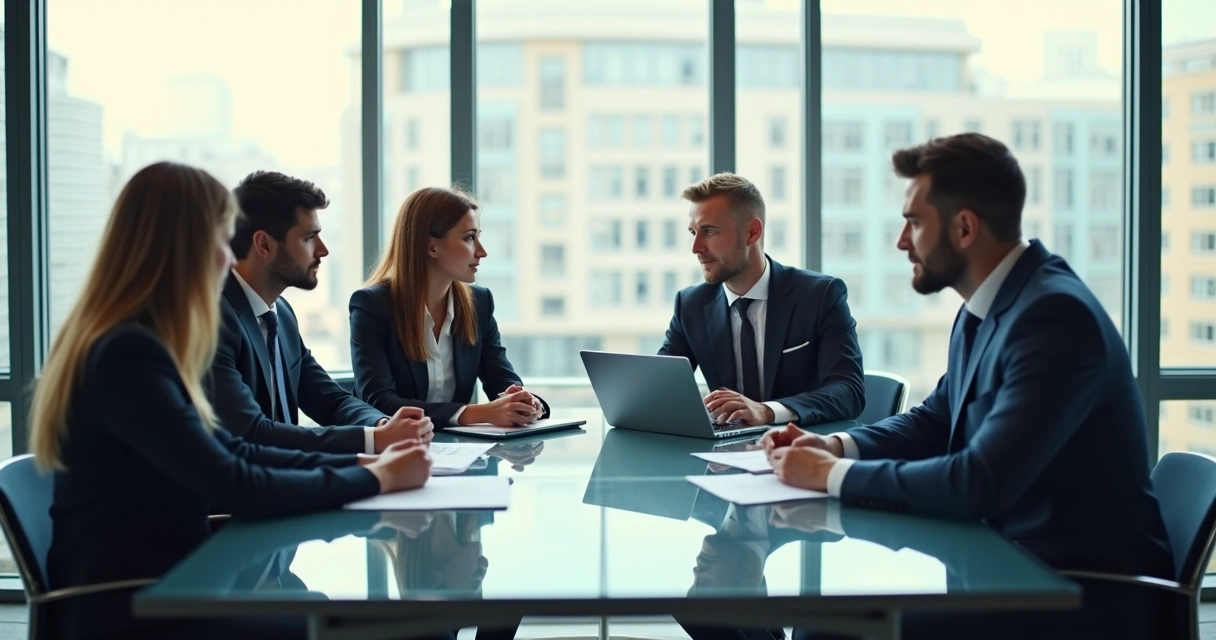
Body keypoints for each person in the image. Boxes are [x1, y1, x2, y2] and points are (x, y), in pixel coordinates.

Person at [761, 133, 1173, 639]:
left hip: (1077, 594)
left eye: (914, 222)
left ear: (964, 227)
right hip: (1003, 563)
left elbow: (978, 482)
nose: (902, 241)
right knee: (831, 614)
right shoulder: (989, 306)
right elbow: (936, 420)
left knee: (831, 629)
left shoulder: (1054, 317)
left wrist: (831, 475)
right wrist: (836, 445)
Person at [28, 162, 433, 640]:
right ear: (183, 250)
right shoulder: (130, 354)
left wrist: (368, 462)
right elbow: (236, 481)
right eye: (222, 241)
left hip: (179, 582)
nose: (228, 258)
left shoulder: (146, 340)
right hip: (138, 607)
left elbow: (235, 452)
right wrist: (376, 477)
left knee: (398, 623)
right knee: (399, 627)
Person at [209, 170, 433, 455]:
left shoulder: (281, 314)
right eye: (309, 237)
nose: (323, 250)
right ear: (264, 244)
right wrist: (374, 440)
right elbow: (252, 432)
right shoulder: (215, 321)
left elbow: (330, 400)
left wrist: (382, 425)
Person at [658, 173, 864, 427]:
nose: (696, 247)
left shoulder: (820, 296)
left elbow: (849, 391)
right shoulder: (691, 305)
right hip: (726, 448)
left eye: (709, 231)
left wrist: (767, 411)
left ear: (752, 232)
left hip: (803, 443)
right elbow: (658, 388)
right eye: (693, 232)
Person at [350, 186, 546, 428]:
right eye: (469, 238)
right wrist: (479, 413)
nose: (482, 252)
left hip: (456, 447)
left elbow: (501, 380)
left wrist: (524, 402)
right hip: (391, 446)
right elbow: (379, 401)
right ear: (432, 247)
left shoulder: (479, 303)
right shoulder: (372, 306)